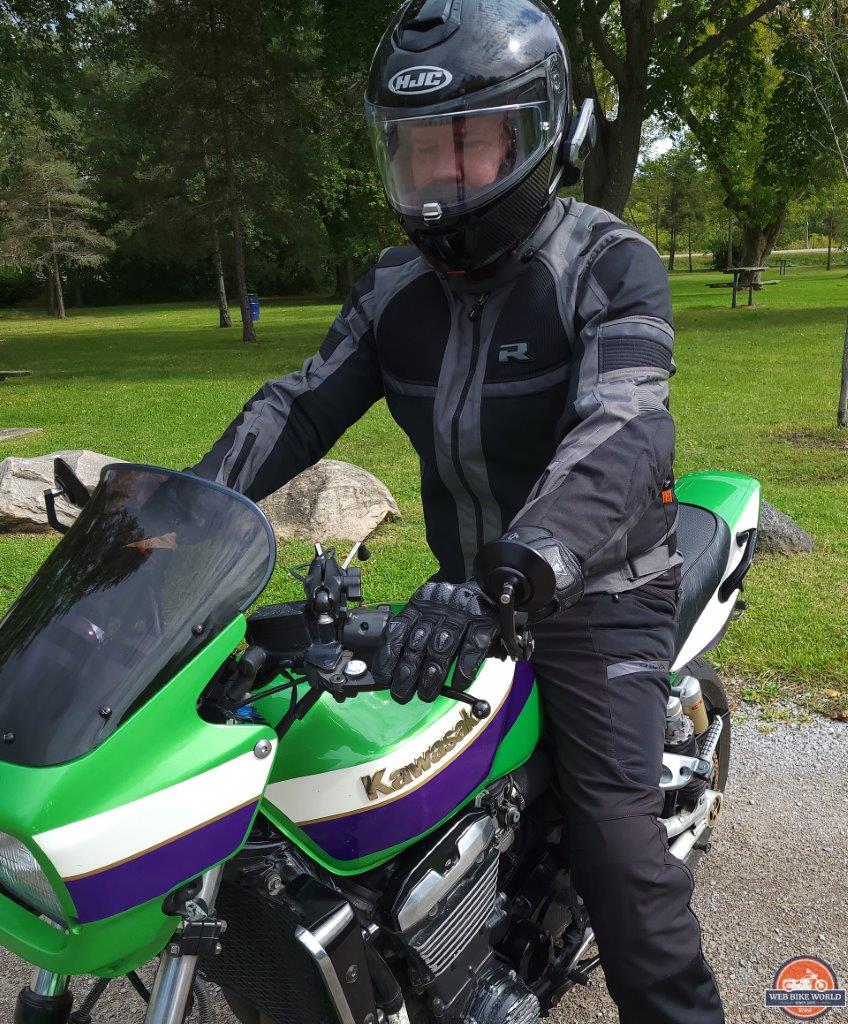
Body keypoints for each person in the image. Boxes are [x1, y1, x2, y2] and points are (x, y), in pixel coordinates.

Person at [190, 1, 725, 1020]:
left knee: (620, 854)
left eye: (468, 143)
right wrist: (184, 510)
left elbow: (622, 431)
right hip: (466, 591)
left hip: (596, 596)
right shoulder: (395, 285)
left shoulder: (608, 263)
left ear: (535, 136)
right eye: (418, 148)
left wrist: (518, 569)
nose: (442, 174)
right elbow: (298, 405)